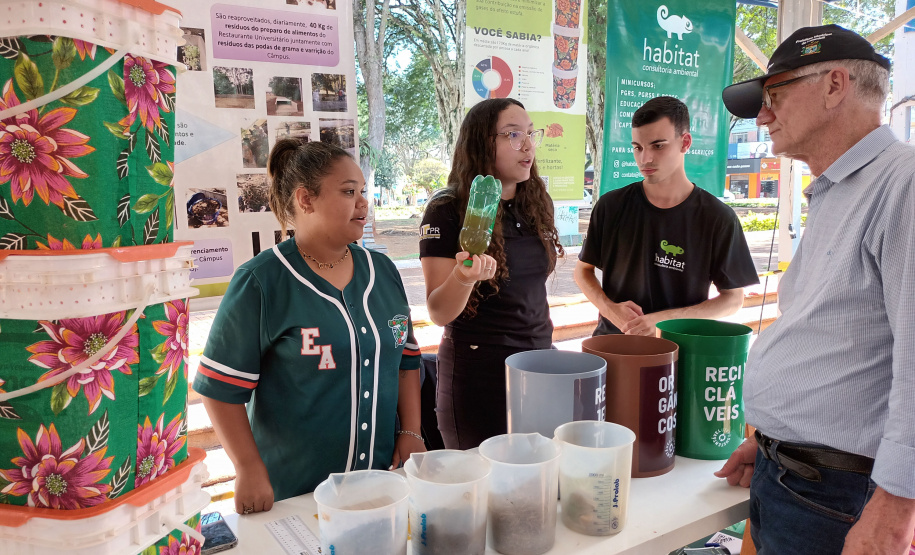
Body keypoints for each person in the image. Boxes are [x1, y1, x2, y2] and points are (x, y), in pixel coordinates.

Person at [715, 25, 915, 554]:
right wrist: (777, 443)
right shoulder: (837, 190)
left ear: (834, 85)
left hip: (842, 498)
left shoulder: (903, 184)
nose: (762, 115)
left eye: (774, 96)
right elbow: (837, 340)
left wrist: (894, 514)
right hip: (800, 477)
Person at [193, 140, 424, 514]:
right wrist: (248, 467)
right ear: (306, 200)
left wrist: (411, 430)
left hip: (377, 484)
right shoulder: (262, 281)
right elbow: (220, 389)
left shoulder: (383, 273)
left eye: (363, 192)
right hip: (294, 494)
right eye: (349, 192)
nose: (364, 203)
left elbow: (406, 360)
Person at [419, 98, 563, 450]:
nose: (527, 145)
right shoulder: (447, 209)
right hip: (479, 371)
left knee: (535, 484)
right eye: (513, 135)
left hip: (538, 361)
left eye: (530, 133)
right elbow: (438, 312)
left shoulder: (536, 204)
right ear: (482, 142)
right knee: (484, 494)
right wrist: (463, 278)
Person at [574, 96, 758, 337]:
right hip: (614, 350)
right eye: (638, 148)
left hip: (679, 355)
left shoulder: (717, 218)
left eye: (658, 146)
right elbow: (582, 271)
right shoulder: (611, 205)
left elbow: (733, 299)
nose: (645, 159)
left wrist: (665, 320)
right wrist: (610, 310)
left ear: (685, 142)